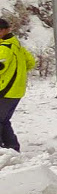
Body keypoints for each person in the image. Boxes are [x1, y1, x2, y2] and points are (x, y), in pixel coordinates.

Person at [0, 19, 35, 153]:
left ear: (3, 31)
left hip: (5, 91)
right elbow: (31, 62)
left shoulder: (5, 48)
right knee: (3, 120)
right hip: (16, 91)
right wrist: (17, 73)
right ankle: (11, 148)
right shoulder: (17, 46)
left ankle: (7, 149)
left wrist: (9, 76)